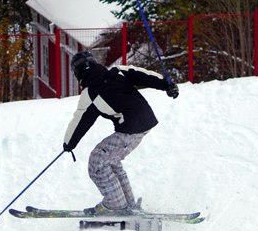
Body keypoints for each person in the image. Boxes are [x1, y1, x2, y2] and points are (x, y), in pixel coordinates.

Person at [63, 50, 179, 215]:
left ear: (77, 72)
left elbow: (80, 120)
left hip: (131, 127)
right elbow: (142, 75)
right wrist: (166, 84)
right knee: (111, 160)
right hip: (143, 120)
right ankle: (128, 204)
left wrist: (69, 143)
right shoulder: (117, 71)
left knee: (97, 160)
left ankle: (115, 205)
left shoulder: (89, 94)